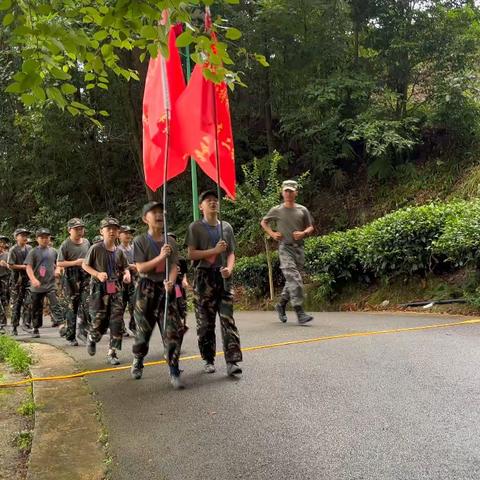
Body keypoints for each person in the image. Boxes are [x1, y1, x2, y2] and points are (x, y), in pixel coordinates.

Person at [186, 190, 243, 376]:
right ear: (200, 206)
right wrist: (214, 250)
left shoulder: (226, 227)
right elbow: (192, 254)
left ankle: (232, 361)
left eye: (215, 200)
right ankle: (208, 359)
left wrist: (229, 268)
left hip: (223, 278)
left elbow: (232, 252)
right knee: (205, 324)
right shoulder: (195, 228)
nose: (213, 203)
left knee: (228, 320)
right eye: (208, 201)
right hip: (203, 279)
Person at [130, 201, 185, 389]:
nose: (159, 215)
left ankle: (174, 368)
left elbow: (174, 266)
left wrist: (171, 281)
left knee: (172, 330)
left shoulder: (171, 241)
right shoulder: (140, 241)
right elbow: (140, 267)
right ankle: (138, 358)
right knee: (143, 333)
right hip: (146, 289)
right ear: (146, 219)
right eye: (154, 213)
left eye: (161, 212)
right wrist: (161, 256)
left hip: (165, 289)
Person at [261, 180, 315, 324]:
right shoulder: (277, 210)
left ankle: (281, 304)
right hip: (285, 248)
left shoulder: (302, 210)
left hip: (299, 248)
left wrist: (303, 233)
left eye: (291, 191)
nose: (288, 193)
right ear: (282, 192)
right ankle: (299, 311)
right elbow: (264, 222)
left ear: (296, 192)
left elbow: (310, 227)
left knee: (291, 280)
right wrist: (272, 234)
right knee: (294, 277)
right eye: (286, 191)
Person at [82, 217, 131, 365]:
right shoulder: (96, 248)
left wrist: (127, 274)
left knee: (116, 321)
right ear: (101, 231)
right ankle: (92, 337)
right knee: (99, 322)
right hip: (99, 290)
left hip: (116, 289)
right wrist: (97, 274)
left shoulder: (120, 252)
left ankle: (112, 353)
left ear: (118, 233)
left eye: (115, 229)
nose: (111, 231)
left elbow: (125, 267)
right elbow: (85, 265)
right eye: (108, 228)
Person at [58, 218, 91, 346]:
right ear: (69, 230)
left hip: (86, 276)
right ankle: (70, 336)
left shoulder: (87, 242)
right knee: (72, 307)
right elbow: (60, 263)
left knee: (88, 304)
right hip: (71, 277)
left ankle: (83, 331)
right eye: (76, 229)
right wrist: (75, 262)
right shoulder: (65, 244)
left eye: (81, 228)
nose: (79, 231)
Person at [24, 228, 60, 338]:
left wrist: (58, 270)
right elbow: (28, 267)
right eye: (42, 237)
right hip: (37, 285)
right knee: (36, 307)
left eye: (47, 237)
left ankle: (62, 325)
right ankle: (35, 328)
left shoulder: (53, 251)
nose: (45, 240)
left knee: (55, 304)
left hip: (50, 284)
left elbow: (59, 263)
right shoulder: (33, 252)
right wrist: (33, 279)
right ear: (37, 239)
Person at [7, 228, 32, 336]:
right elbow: (10, 265)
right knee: (16, 304)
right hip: (17, 279)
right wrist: (23, 267)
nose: (25, 237)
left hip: (28, 279)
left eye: (26, 235)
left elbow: (34, 262)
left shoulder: (30, 248)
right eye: (22, 235)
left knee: (29, 302)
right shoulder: (13, 249)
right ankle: (14, 326)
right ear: (16, 237)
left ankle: (26, 324)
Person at [168, 232, 189, 335]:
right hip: (167, 287)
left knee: (180, 304)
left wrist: (185, 280)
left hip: (177, 286)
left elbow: (184, 273)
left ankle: (183, 323)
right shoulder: (163, 259)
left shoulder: (181, 259)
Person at [118, 225, 137, 336]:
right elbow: (117, 265)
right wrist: (131, 266)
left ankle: (133, 326)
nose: (128, 235)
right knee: (120, 305)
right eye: (125, 233)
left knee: (134, 304)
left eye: (129, 233)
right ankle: (121, 328)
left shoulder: (134, 248)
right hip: (120, 281)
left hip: (134, 280)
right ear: (119, 235)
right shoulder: (117, 250)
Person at [0, 235, 10, 334]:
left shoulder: (7, 254)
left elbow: (12, 267)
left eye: (3, 242)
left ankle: (3, 321)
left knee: (4, 300)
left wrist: (6, 265)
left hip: (4, 279)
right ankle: (1, 324)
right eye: (0, 242)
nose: (2, 244)